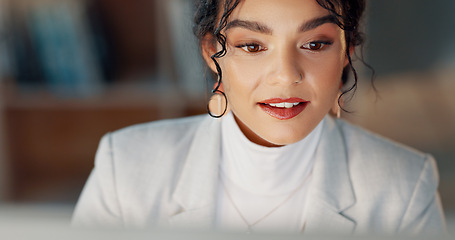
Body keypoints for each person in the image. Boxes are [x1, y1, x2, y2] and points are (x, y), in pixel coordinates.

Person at [72, 0, 446, 235]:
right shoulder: (125, 167)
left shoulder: (404, 188)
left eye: (315, 44)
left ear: (345, 52)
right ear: (211, 54)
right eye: (252, 46)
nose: (285, 75)